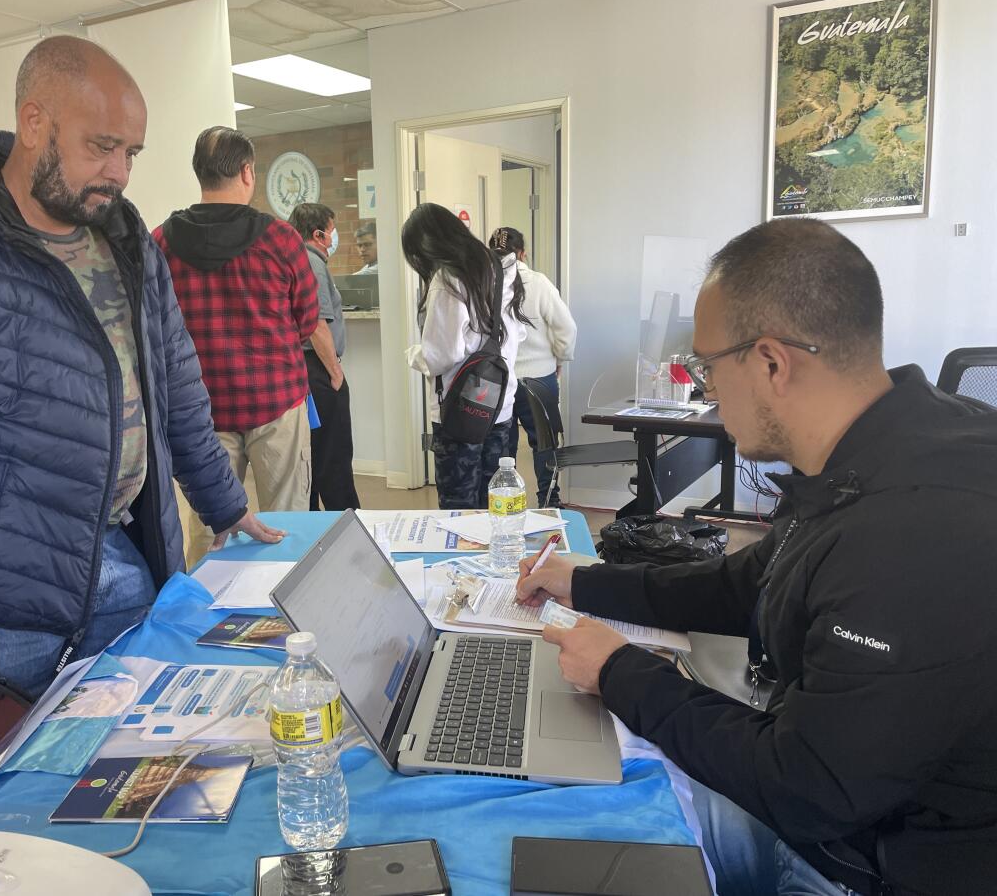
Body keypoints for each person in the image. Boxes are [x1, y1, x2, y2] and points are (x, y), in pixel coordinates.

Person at [516, 219, 997, 896]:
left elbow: (809, 787)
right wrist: (588, 583)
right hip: (841, 784)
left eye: (708, 367)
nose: (705, 388)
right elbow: (749, 584)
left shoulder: (914, 533)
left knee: (570, 825)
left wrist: (620, 672)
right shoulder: (877, 448)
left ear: (771, 363)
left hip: (875, 860)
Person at [0, 36, 283, 708]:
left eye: (130, 152)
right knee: (15, 796)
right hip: (5, 608)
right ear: (34, 122)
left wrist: (224, 501)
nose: (120, 171)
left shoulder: (126, 241)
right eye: (100, 146)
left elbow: (175, 389)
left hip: (126, 563)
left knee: (126, 773)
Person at [154, 127, 320, 560]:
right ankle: (284, 617)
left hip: (201, 416)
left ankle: (210, 618)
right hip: (276, 405)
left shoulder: (161, 243)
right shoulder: (281, 240)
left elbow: (153, 330)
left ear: (199, 173)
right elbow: (306, 322)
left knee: (211, 533)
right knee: (288, 523)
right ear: (247, 172)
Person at [403, 203, 530, 509]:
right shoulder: (500, 267)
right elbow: (516, 334)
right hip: (498, 404)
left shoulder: (449, 278)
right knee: (496, 500)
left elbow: (441, 353)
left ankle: (464, 557)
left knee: (458, 507)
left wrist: (413, 355)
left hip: (458, 411)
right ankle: (497, 555)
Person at [489, 227, 576, 507]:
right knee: (545, 443)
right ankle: (549, 500)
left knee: (504, 446)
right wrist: (559, 359)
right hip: (539, 379)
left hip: (499, 380)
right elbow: (566, 328)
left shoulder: (485, 283)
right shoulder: (539, 283)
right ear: (523, 253)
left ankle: (506, 501)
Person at [288, 203, 361, 511]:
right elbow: (317, 325)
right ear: (318, 233)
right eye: (331, 230)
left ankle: (318, 527)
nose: (334, 237)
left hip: (305, 372)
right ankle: (348, 525)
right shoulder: (313, 264)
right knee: (334, 456)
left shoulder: (296, 260)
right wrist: (335, 374)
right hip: (318, 371)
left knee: (315, 456)